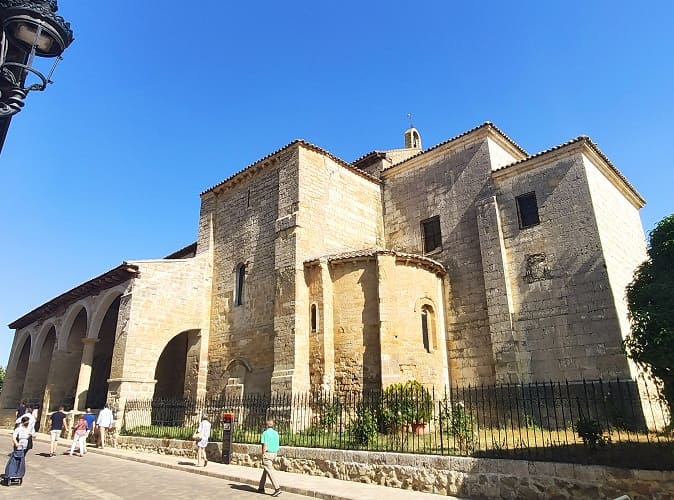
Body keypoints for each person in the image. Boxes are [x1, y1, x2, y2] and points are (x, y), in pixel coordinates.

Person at [257, 418, 281, 497]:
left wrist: (263, 454)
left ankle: (277, 488)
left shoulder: (265, 433)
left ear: (266, 425)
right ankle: (261, 488)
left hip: (267, 454)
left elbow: (265, 445)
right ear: (273, 425)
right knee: (266, 470)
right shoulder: (276, 433)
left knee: (270, 471)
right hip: (274, 453)